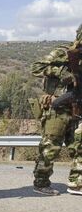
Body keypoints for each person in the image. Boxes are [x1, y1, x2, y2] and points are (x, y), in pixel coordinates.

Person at [30, 25, 82, 196]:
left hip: (75, 109)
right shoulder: (64, 52)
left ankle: (76, 183)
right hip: (56, 109)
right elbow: (36, 68)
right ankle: (41, 183)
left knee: (79, 148)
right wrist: (61, 73)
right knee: (50, 148)